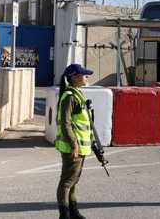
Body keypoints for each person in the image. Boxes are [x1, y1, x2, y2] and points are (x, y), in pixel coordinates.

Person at [55, 64, 95, 219]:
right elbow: (65, 123)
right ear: (74, 77)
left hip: (80, 148)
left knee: (73, 180)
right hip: (73, 147)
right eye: (84, 75)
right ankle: (64, 215)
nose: (87, 77)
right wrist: (74, 145)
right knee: (67, 182)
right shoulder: (70, 96)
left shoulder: (77, 94)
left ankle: (73, 212)